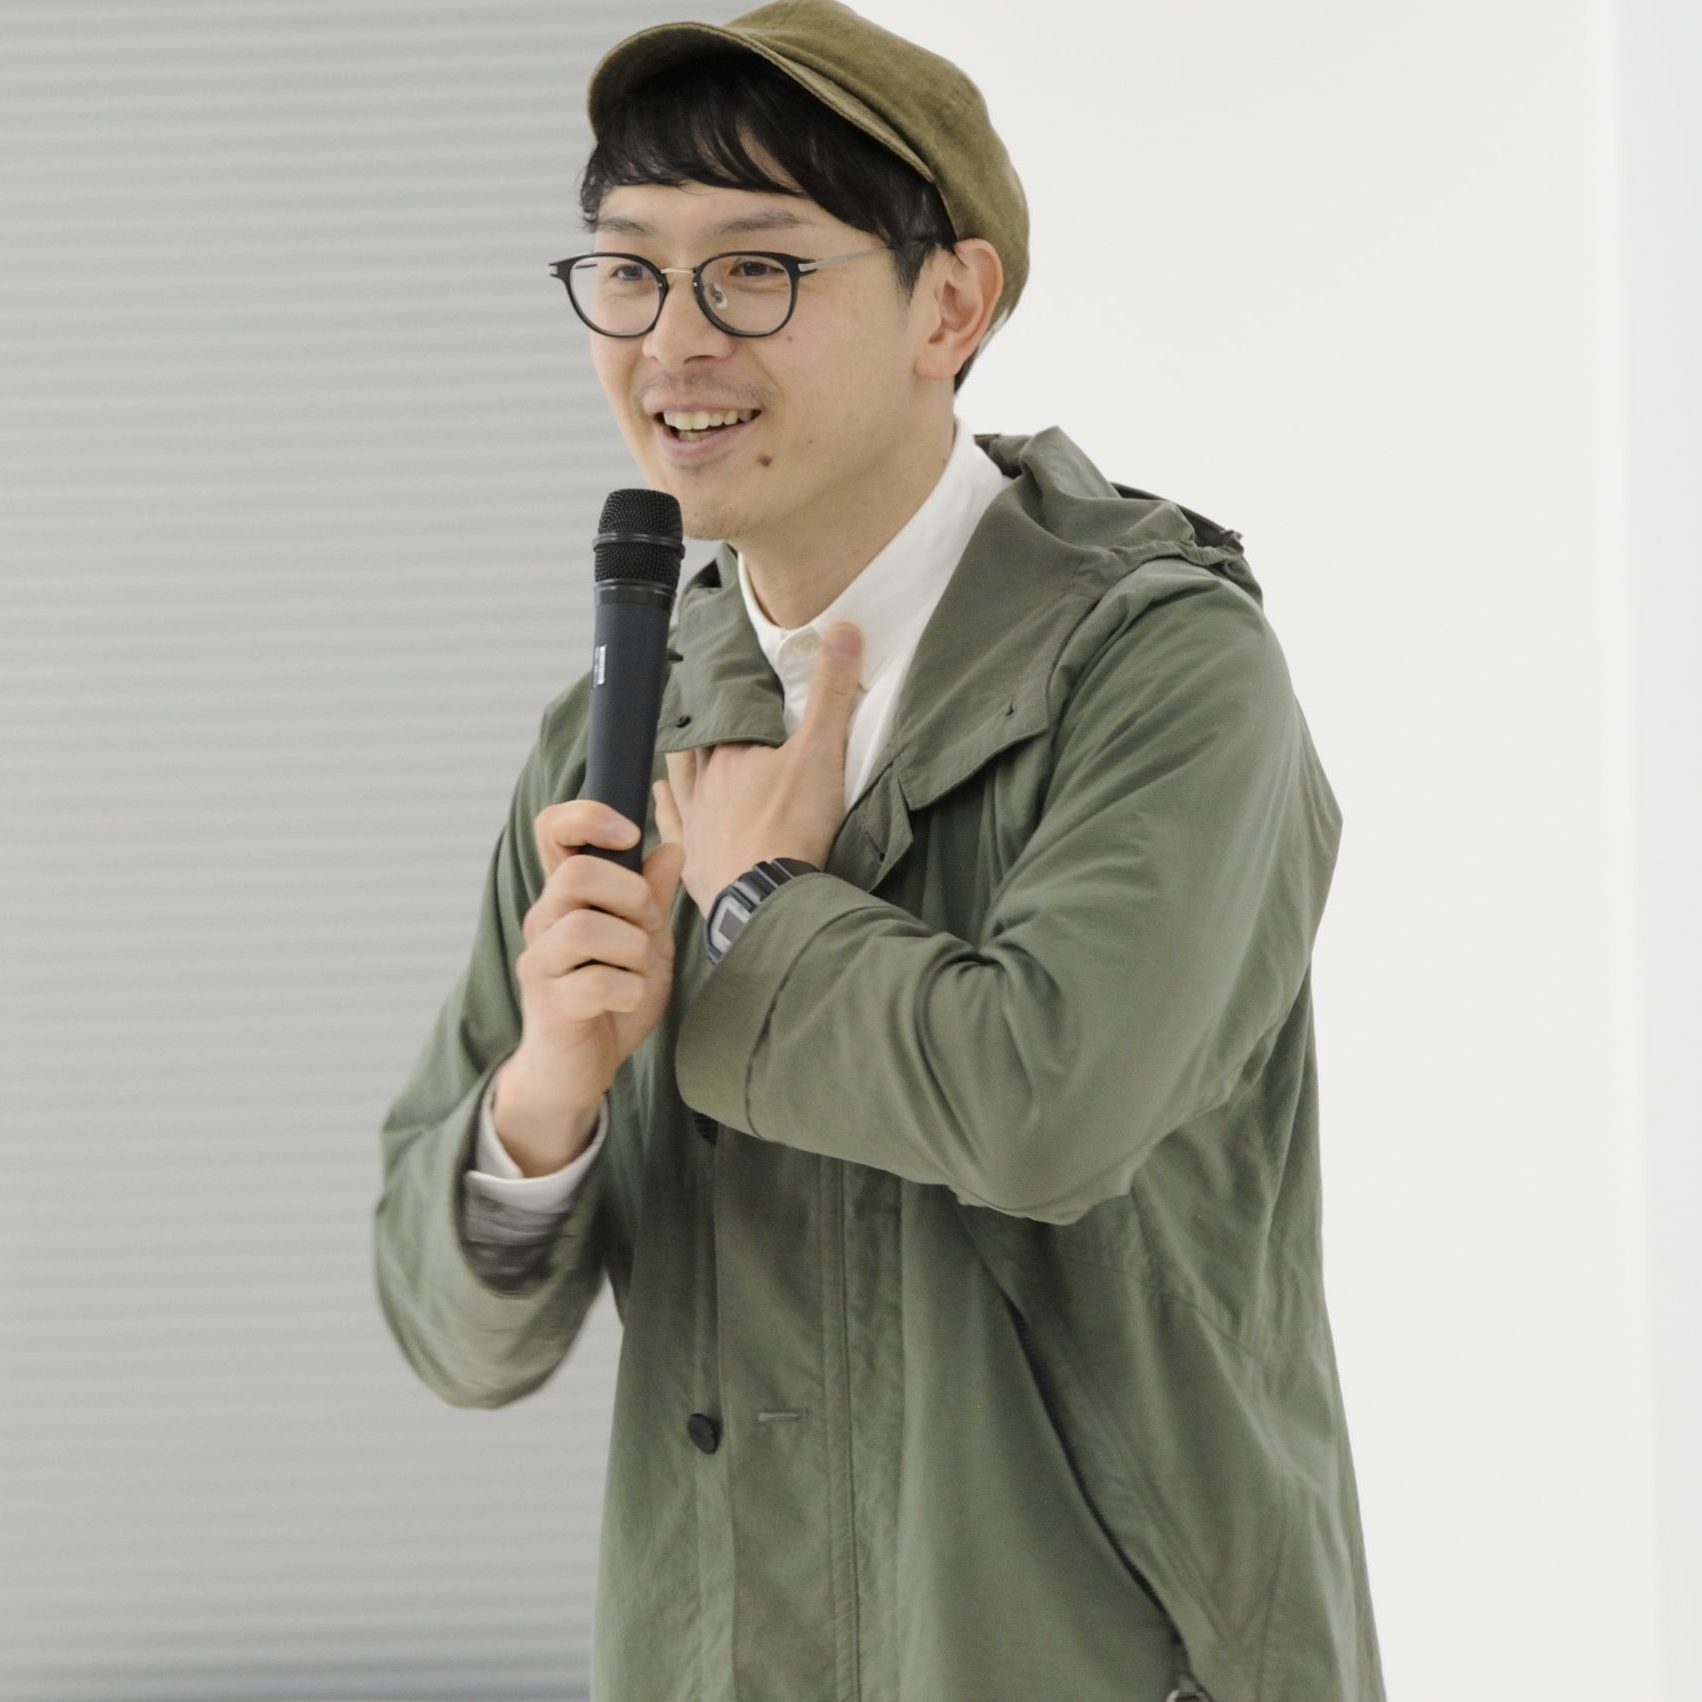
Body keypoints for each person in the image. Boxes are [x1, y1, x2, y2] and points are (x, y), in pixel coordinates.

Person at [372, 3, 1387, 1697]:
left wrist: (759, 909)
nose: (672, 341)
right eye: (628, 271)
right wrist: (545, 1095)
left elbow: (1045, 1107)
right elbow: (450, 1330)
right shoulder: (614, 731)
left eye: (753, 271)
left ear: (950, 304)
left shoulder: (1157, 668)